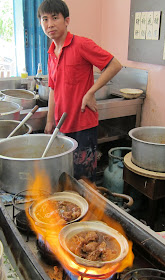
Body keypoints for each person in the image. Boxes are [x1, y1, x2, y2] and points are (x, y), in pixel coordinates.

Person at [37, 0, 122, 182]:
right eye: (45, 19)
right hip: (62, 126)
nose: (49, 24)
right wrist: (50, 120)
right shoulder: (51, 52)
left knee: (83, 178)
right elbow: (53, 88)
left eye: (55, 18)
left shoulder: (81, 44)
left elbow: (114, 65)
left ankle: (87, 208)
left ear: (66, 20)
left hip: (83, 124)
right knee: (65, 175)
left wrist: (90, 92)